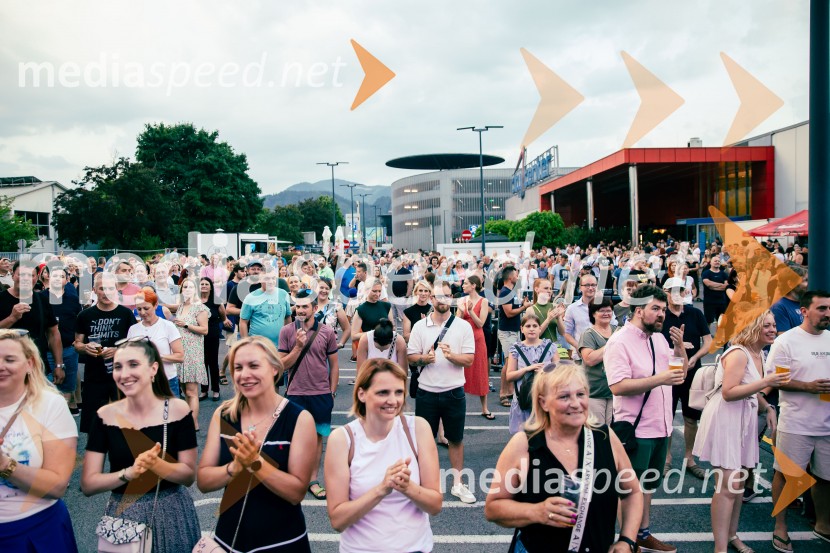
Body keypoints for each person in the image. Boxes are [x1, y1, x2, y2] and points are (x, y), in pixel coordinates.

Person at [485, 362, 643, 553]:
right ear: (543, 402)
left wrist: (627, 540)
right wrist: (538, 512)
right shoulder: (525, 445)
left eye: (581, 394)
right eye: (564, 396)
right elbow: (493, 508)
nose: (576, 404)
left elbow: (632, 492)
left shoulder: (605, 437)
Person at [196, 336, 316, 553]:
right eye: (238, 367)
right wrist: (234, 468)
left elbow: (296, 492)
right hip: (229, 539)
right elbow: (203, 481)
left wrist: (256, 463)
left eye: (254, 365)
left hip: (282, 542)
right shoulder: (223, 415)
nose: (244, 375)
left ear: (274, 369)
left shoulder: (299, 418)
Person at [81, 338, 200, 551]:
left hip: (172, 514)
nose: (124, 374)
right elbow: (89, 484)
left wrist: (157, 465)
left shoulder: (178, 410)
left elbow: (189, 476)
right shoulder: (104, 416)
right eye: (118, 366)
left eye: (133, 364)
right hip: (124, 515)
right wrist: (129, 473)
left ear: (154, 368)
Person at [325, 358, 442, 552]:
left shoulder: (418, 429)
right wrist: (381, 489)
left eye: (399, 392)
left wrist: (408, 487)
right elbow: (338, 520)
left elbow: (435, 505)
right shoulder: (343, 439)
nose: (393, 400)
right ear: (362, 394)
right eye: (383, 392)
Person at [604, 284, 689, 553]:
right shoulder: (619, 341)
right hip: (635, 430)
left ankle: (642, 534)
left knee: (648, 486)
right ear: (639, 310)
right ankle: (627, 540)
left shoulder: (659, 338)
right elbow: (617, 386)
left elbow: (680, 374)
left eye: (663, 309)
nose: (662, 314)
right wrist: (661, 378)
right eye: (656, 309)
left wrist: (679, 349)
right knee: (630, 489)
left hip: (662, 426)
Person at [693, 311, 785, 553]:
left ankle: (732, 535)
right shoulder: (738, 353)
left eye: (774, 325)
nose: (772, 329)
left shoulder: (759, 354)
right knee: (727, 485)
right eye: (766, 325)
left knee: (739, 483)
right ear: (753, 327)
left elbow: (750, 390)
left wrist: (767, 407)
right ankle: (720, 547)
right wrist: (768, 382)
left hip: (744, 419)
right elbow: (729, 392)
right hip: (727, 419)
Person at [0, 330, 78, 552]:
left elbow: (56, 485)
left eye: (9, 359)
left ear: (30, 364)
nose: (1, 366)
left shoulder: (49, 405)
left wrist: (5, 465)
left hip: (37, 530)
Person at [766, 290, 830, 551]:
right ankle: (780, 527)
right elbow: (775, 381)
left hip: (827, 424)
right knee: (786, 476)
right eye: (822, 309)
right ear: (804, 311)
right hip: (795, 423)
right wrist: (808, 386)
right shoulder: (787, 342)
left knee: (826, 478)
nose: (828, 314)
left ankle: (824, 525)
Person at [407, 282, 476, 503]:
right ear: (432, 299)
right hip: (426, 392)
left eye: (447, 296)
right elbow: (411, 357)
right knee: (424, 441)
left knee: (455, 439)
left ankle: (457, 484)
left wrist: (452, 356)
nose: (443, 300)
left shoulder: (463, 327)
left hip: (454, 391)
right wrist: (423, 359)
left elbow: (469, 360)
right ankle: (426, 483)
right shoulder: (419, 326)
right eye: (439, 296)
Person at [279, 288, 340, 500]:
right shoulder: (287, 331)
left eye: (306, 306)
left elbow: (334, 364)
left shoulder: (327, 332)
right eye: (298, 306)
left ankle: (313, 480)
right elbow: (281, 365)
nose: (301, 310)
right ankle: (294, 477)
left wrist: (332, 392)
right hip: (295, 392)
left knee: (316, 439)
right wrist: (297, 346)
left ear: (315, 308)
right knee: (293, 438)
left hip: (321, 394)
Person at [660, 277, 712, 478]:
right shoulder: (661, 315)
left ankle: (689, 458)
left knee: (691, 418)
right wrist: (677, 349)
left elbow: (708, 342)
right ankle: (666, 459)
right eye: (673, 290)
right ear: (665, 292)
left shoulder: (695, 313)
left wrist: (695, 357)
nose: (677, 293)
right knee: (667, 418)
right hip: (669, 374)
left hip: (693, 374)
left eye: (681, 290)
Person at [74, 273, 137, 433]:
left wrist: (118, 350)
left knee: (126, 427)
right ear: (95, 290)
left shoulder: (126, 314)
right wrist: (85, 347)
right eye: (102, 288)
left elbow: (136, 345)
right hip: (94, 377)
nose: (106, 292)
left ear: (116, 289)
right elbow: (77, 343)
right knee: (94, 427)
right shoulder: (85, 315)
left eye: (110, 288)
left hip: (123, 377)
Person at [0, 261, 64, 378]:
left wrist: (59, 365)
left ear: (36, 278)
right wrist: (12, 318)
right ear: (13, 275)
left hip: (37, 366)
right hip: (5, 367)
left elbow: (53, 333)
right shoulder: (1, 299)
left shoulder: (42, 300)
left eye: (31, 275)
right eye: (21, 275)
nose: (26, 279)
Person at [506, 312, 558, 433]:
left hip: (545, 397)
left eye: (535, 326)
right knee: (522, 438)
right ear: (522, 329)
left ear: (540, 328)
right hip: (524, 397)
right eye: (528, 326)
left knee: (545, 436)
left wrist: (545, 371)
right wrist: (526, 369)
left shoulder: (550, 346)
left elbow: (559, 372)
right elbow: (509, 376)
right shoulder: (516, 348)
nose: (531, 329)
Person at [127, 288, 185, 397]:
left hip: (166, 380)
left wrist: (156, 357)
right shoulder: (133, 329)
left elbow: (180, 356)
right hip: (142, 382)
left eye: (146, 308)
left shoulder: (168, 326)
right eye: (139, 309)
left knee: (169, 413)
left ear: (155, 305)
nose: (142, 312)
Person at [41, 266, 82, 415]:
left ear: (66, 280)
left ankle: (62, 418)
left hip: (69, 349)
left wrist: (77, 341)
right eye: (55, 275)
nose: (58, 279)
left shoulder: (73, 299)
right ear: (48, 278)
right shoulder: (40, 298)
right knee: (48, 386)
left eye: (61, 276)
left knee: (68, 385)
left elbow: (79, 322)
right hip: (46, 351)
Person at [173, 278, 209, 429]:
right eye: (185, 287)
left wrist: (186, 324)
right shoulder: (181, 306)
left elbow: (204, 330)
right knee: (183, 389)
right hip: (180, 351)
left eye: (191, 287)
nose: (187, 289)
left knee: (191, 391)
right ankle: (188, 418)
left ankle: (193, 423)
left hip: (193, 352)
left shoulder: (199, 307)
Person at [457, 275, 494, 419]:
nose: (463, 286)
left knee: (480, 372)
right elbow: (457, 321)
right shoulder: (462, 300)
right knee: (461, 372)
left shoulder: (483, 301)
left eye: (465, 283)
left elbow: (481, 324)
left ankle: (485, 408)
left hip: (478, 339)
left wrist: (471, 310)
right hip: (464, 338)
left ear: (473, 285)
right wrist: (461, 310)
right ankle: (459, 406)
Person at [577, 298, 616, 425]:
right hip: (595, 392)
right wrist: (612, 344)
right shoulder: (588, 334)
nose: (606, 313)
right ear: (593, 313)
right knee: (597, 431)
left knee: (614, 432)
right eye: (601, 311)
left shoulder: (618, 330)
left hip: (615, 390)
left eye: (609, 310)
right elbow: (589, 359)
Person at [498, 265, 532, 407]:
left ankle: (511, 392)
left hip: (513, 331)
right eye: (516, 275)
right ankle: (503, 393)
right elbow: (509, 313)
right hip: (507, 332)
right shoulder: (505, 292)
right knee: (508, 363)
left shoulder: (511, 292)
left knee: (513, 362)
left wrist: (523, 305)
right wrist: (524, 307)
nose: (517, 277)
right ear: (510, 277)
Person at [240, 268, 292, 346]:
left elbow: (288, 317)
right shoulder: (251, 297)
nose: (271, 281)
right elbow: (243, 322)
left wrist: (288, 338)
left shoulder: (283, 294)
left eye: (273, 278)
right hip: (258, 346)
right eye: (267, 278)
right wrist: (246, 344)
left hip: (279, 345)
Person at [200, 276, 232, 401]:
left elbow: (222, 313)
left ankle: (215, 390)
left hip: (212, 333)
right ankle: (203, 390)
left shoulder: (216, 300)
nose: (204, 286)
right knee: (202, 363)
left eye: (206, 284)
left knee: (212, 362)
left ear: (210, 287)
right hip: (199, 335)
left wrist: (224, 321)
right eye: (202, 284)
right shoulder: (195, 301)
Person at [563, 273, 602, 362]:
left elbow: (612, 328)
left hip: (602, 355)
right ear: (580, 287)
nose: (591, 288)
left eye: (593, 285)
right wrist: (579, 347)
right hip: (580, 358)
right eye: (587, 285)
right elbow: (567, 333)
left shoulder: (604, 307)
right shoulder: (572, 308)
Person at [351, 278, 393, 357]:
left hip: (386, 348)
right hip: (369, 349)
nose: (377, 294)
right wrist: (375, 332)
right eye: (374, 291)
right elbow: (354, 336)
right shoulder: (361, 310)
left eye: (379, 291)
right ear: (367, 290)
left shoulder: (386, 306)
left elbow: (393, 328)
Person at [315, 277, 351, 350]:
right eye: (321, 287)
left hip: (328, 350)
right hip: (309, 349)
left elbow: (347, 329)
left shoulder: (336, 307)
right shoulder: (309, 305)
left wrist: (341, 344)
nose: (324, 291)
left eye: (327, 288)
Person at [702, 255, 729, 329]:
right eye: (715, 261)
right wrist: (721, 285)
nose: (717, 262)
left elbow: (726, 286)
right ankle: (707, 337)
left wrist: (713, 286)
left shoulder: (724, 274)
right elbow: (708, 284)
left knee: (720, 321)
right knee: (708, 321)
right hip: (709, 301)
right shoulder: (706, 273)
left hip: (721, 301)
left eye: (718, 261)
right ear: (710, 263)